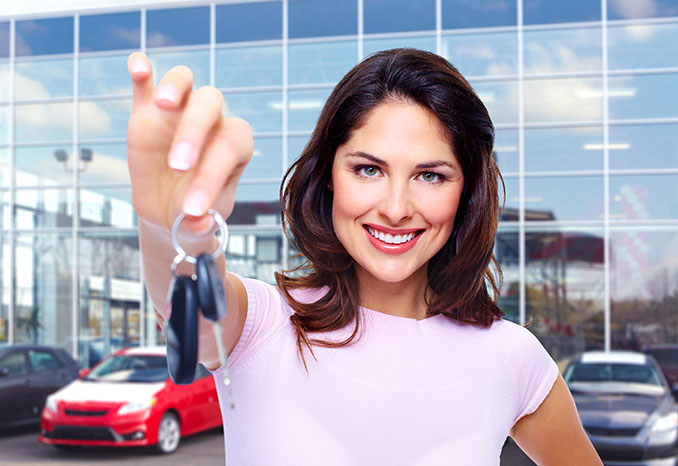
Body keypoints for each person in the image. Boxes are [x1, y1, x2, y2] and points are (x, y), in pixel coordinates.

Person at [126, 48, 602, 465]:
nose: (396, 209)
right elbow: (179, 296)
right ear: (330, 174)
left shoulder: (511, 357)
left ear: (468, 191)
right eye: (369, 169)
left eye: (431, 175)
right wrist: (166, 225)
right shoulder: (259, 325)